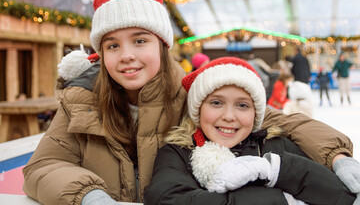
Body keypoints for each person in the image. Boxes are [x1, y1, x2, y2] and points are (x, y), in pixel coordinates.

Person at [22, 0, 360, 204]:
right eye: (113, 45)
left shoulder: (196, 94)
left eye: (140, 40)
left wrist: (336, 155)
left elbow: (282, 121)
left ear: (162, 45)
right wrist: (89, 196)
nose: (126, 55)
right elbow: (44, 166)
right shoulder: (82, 100)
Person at [144, 57, 356, 204]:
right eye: (216, 103)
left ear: (257, 113)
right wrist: (280, 200)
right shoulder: (178, 152)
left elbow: (340, 197)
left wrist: (277, 169)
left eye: (242, 105)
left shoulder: (277, 145)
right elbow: (167, 199)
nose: (229, 116)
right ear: (198, 110)